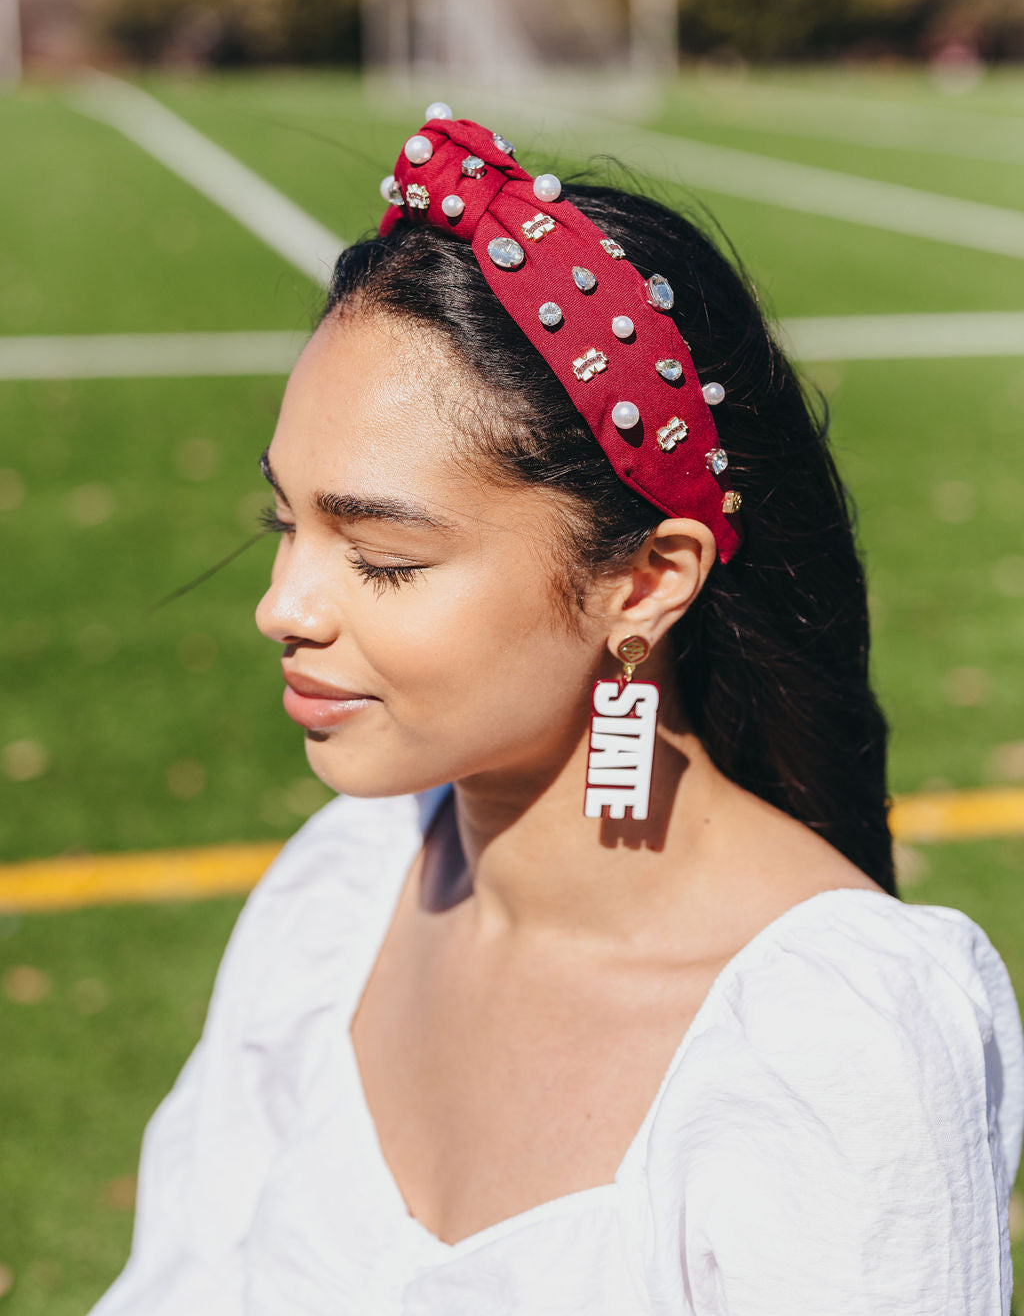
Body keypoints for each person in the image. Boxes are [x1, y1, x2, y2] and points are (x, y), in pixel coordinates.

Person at [93, 107, 1024, 1315]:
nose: (283, 605)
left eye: (380, 555)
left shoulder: (833, 1045)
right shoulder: (345, 889)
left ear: (644, 581)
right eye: (286, 522)